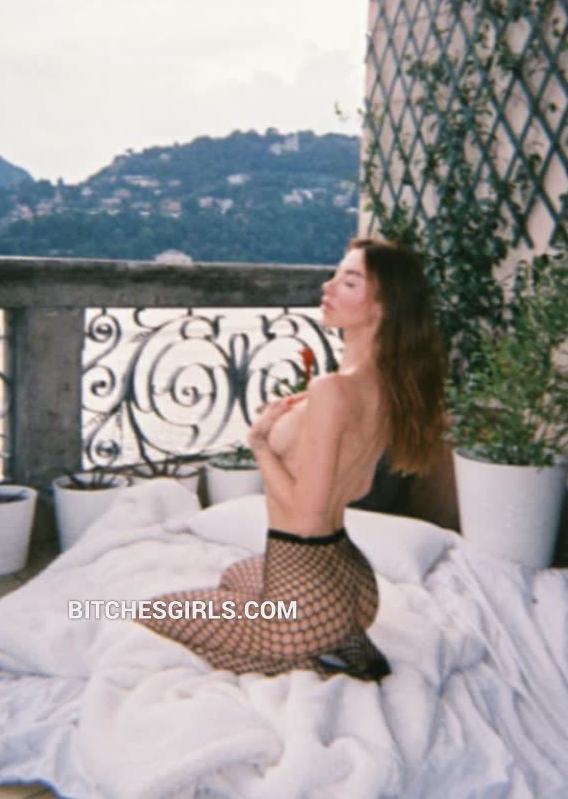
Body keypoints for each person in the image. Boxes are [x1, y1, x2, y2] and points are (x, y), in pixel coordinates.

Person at [134, 237, 446, 680]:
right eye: (335, 275)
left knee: (145, 612)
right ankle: (337, 639)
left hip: (306, 598)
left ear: (380, 308)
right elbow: (356, 486)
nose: (328, 286)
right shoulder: (385, 383)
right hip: (352, 585)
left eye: (349, 282)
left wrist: (261, 444)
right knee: (235, 576)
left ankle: (307, 656)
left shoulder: (331, 390)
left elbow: (307, 512)